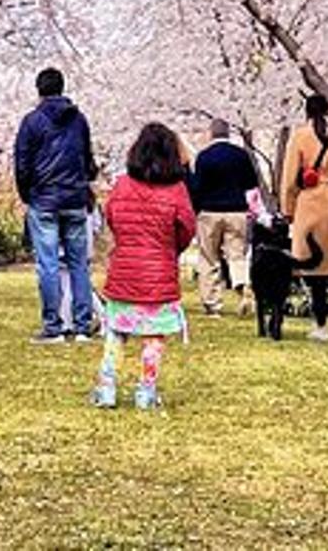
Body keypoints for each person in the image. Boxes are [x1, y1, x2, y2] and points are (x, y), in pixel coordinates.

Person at [93, 122, 197, 409]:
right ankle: (146, 391)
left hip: (124, 271)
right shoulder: (176, 190)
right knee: (154, 336)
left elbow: (112, 218)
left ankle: (107, 388)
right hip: (159, 273)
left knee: (116, 331)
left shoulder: (122, 185)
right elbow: (187, 229)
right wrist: (169, 248)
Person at [14, 66, 99, 343]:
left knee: (48, 264)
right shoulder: (79, 120)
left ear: (39, 90)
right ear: (62, 88)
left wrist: (27, 194)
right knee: (78, 264)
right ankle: (83, 324)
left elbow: (22, 163)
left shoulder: (32, 122)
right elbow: (88, 159)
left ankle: (53, 326)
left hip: (44, 198)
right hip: (74, 197)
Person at [278, 93, 328, 341]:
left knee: (314, 266)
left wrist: (288, 208)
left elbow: (290, 178)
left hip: (312, 200)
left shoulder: (300, 137)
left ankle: (321, 325)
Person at [187, 117, 259, 316]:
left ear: (211, 133)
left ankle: (213, 304)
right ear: (228, 134)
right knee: (237, 254)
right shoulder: (241, 155)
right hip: (236, 210)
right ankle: (243, 286)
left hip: (209, 211)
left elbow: (196, 187)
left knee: (209, 258)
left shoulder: (204, 156)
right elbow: (251, 182)